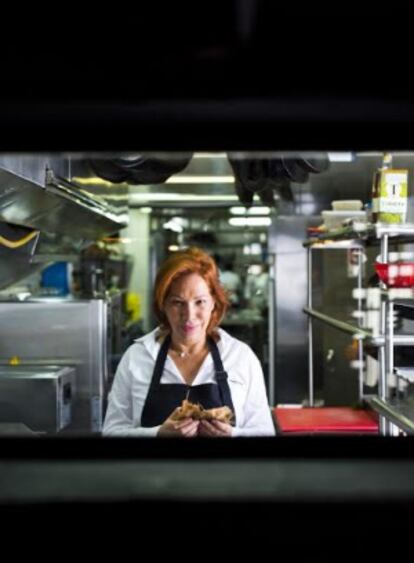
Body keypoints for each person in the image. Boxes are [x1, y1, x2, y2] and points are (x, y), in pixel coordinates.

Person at [103, 247, 275, 437]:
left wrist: (232, 435)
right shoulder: (136, 357)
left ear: (213, 303)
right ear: (163, 305)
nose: (189, 316)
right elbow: (111, 432)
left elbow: (265, 432)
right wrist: (157, 435)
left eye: (200, 301)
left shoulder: (241, 357)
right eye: (177, 302)